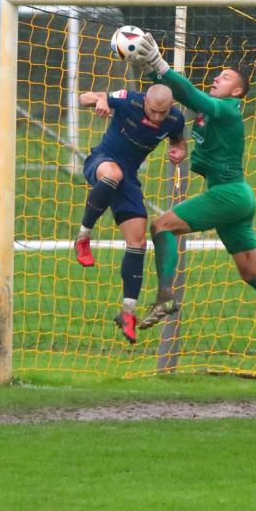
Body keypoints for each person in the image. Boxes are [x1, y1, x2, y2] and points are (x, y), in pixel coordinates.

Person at [133, 34, 256, 368]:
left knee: (161, 227)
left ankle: (165, 297)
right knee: (251, 271)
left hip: (227, 194)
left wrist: (160, 64)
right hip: (238, 196)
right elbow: (177, 95)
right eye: (218, 75)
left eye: (225, 77)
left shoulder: (227, 109)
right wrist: (150, 70)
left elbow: (188, 92)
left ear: (238, 92)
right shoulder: (212, 112)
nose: (217, 78)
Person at [72, 84, 187, 343]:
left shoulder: (175, 119)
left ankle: (128, 312)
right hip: (103, 160)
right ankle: (83, 237)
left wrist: (179, 151)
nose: (157, 117)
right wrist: (99, 100)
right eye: (153, 111)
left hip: (129, 178)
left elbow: (179, 140)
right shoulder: (128, 101)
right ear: (145, 101)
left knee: (138, 242)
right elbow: (85, 96)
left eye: (163, 112)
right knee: (113, 174)